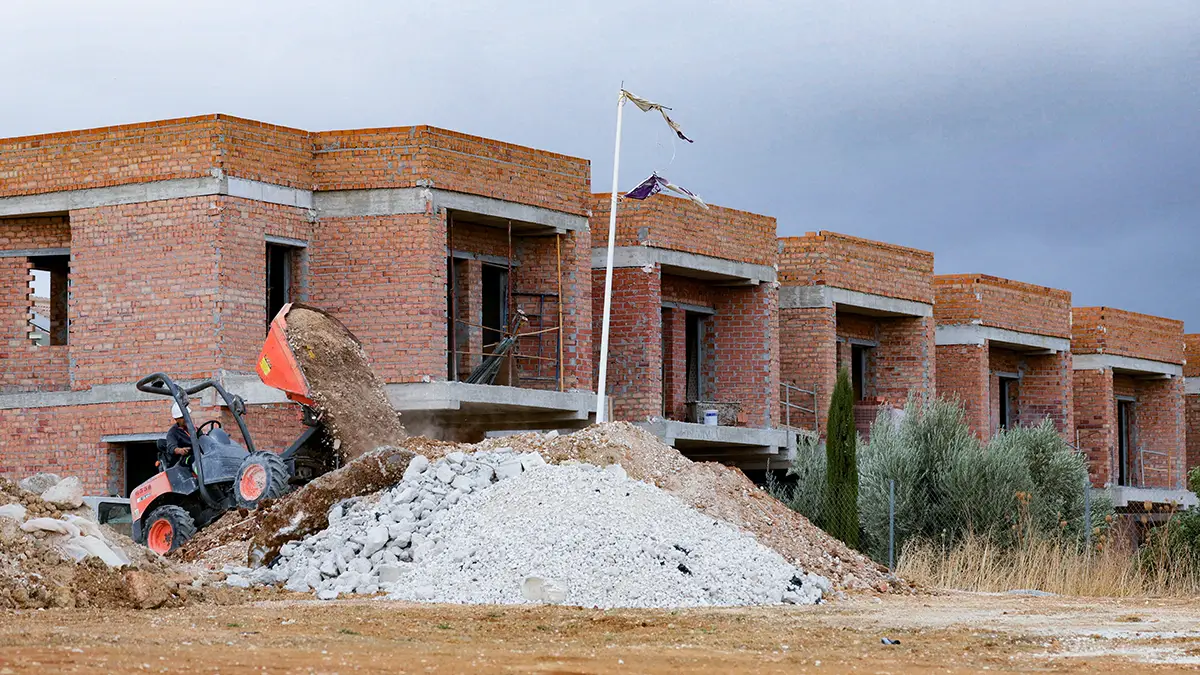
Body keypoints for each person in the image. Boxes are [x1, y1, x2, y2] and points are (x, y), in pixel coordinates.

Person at [163, 401, 194, 468]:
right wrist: (180, 450)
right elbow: (171, 447)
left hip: (199, 455)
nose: (186, 418)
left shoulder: (195, 429)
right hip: (185, 459)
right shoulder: (173, 433)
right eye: (182, 417)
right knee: (194, 461)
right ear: (176, 419)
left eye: (187, 415)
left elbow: (203, 439)